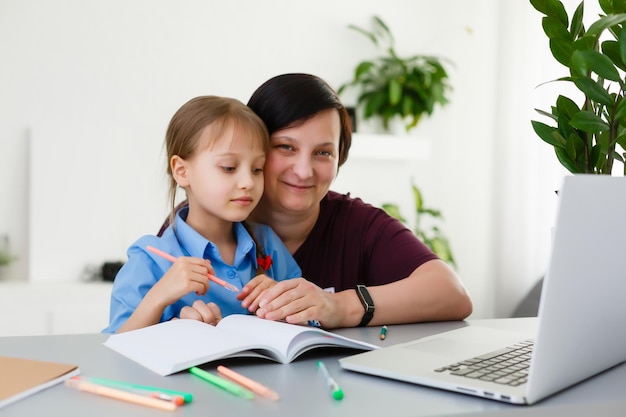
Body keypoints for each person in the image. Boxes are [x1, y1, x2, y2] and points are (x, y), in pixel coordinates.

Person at [237, 73, 472, 329]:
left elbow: (452, 293)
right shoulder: (205, 218)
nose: (304, 171)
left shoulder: (358, 225)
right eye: (285, 147)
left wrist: (339, 306)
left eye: (323, 153)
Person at [103, 96, 301, 334]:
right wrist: (158, 298)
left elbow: (306, 324)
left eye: (257, 169)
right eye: (229, 167)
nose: (248, 182)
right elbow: (115, 349)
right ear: (182, 171)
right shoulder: (150, 259)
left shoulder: (268, 243)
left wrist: (282, 303)